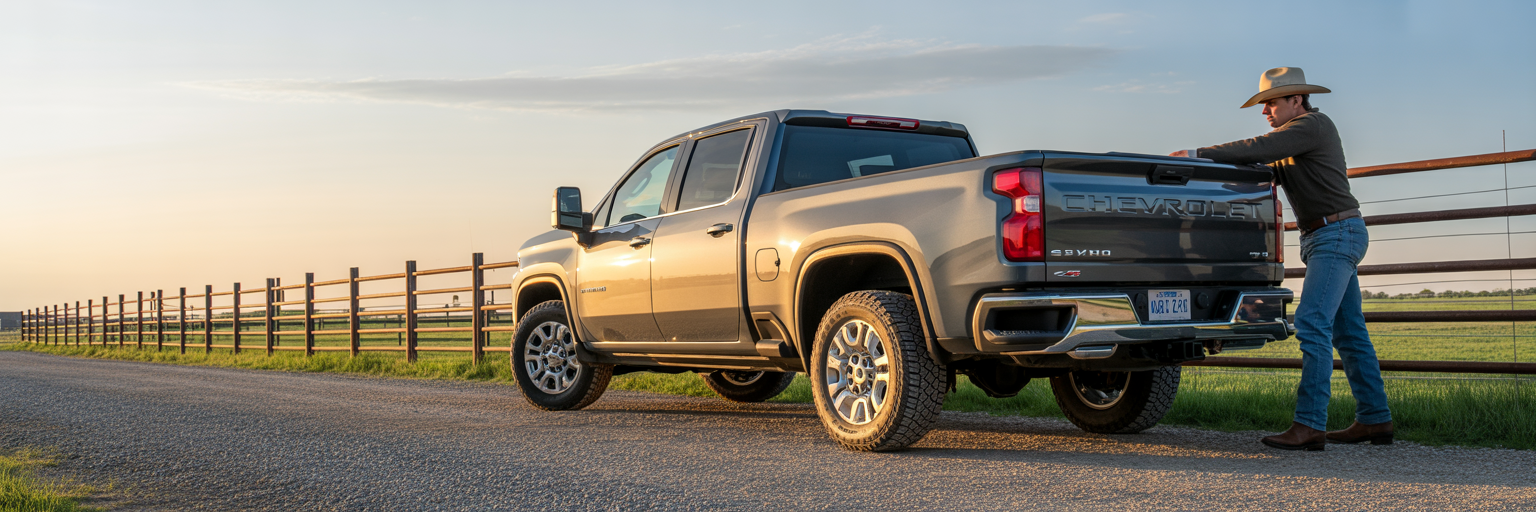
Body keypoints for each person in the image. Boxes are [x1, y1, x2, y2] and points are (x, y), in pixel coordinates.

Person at [1170, 67, 1392, 451]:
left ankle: (1309, 425)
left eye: (1271, 102)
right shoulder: (1291, 145)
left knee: (1311, 322)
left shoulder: (1313, 125)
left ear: (1296, 100)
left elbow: (1258, 147)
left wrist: (1195, 154)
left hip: (1335, 234)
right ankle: (1374, 420)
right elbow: (1256, 164)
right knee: (1349, 331)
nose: (1264, 111)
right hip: (1329, 234)